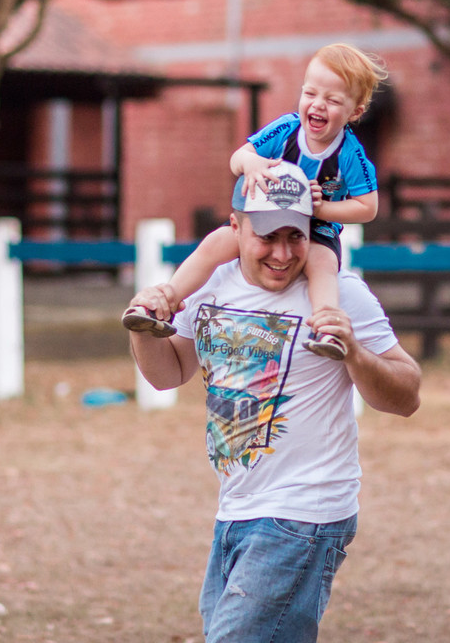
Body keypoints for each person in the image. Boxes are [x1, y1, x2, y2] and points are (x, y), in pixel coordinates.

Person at [126, 162, 421, 642]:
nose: (283, 254)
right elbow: (169, 373)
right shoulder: (208, 286)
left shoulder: (339, 295)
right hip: (236, 510)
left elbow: (407, 395)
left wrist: (355, 353)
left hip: (305, 513)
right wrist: (143, 331)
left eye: (296, 237)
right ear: (236, 226)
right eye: (268, 237)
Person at [123, 42, 386, 360]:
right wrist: (252, 164)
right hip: (265, 217)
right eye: (310, 93)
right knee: (214, 243)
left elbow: (367, 207)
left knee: (323, 266)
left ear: (354, 112)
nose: (317, 105)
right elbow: (238, 157)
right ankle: (165, 301)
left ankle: (327, 327)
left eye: (332, 100)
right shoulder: (287, 128)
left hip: (315, 230)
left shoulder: (350, 153)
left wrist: (320, 209)